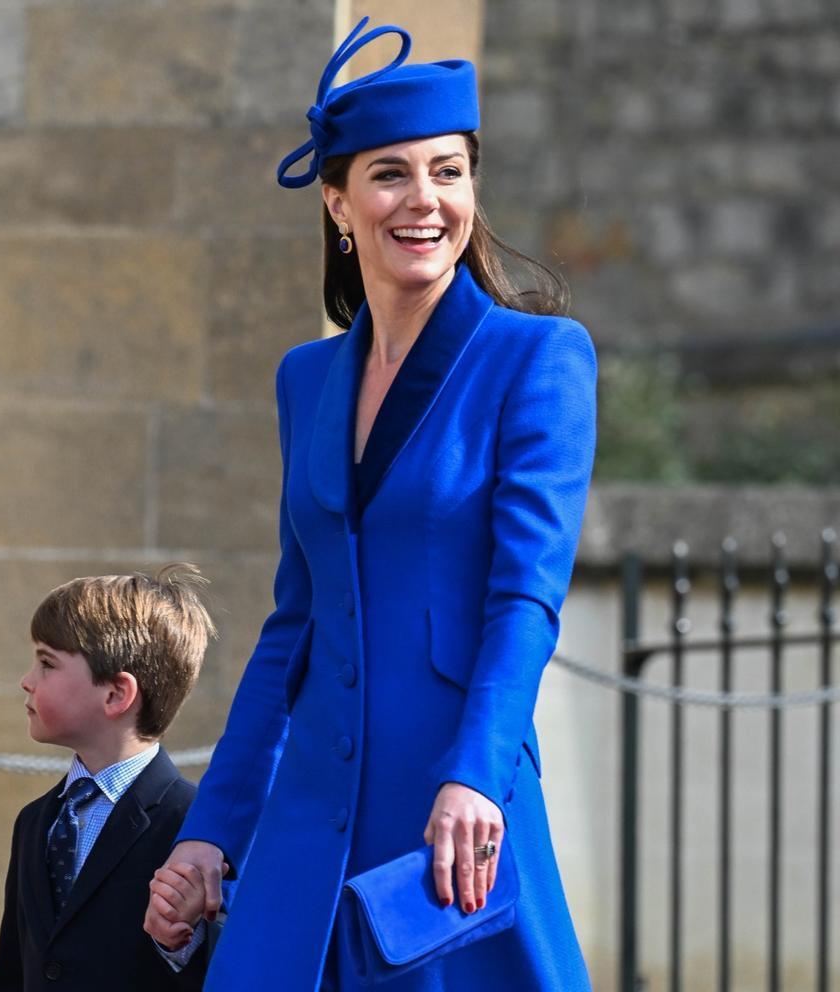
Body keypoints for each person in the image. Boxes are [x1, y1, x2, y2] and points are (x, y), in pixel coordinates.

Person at [145, 18, 596, 992]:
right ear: (339, 203)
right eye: (391, 174)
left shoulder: (539, 358)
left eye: (448, 170)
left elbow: (525, 598)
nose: (425, 199)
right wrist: (211, 831)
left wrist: (475, 771)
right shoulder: (304, 379)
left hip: (449, 812)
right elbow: (293, 624)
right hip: (306, 819)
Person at [0, 566, 216, 992]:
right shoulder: (35, 821)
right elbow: (13, 970)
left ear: (115, 695)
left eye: (46, 663)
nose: (27, 680)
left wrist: (182, 944)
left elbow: (235, 966)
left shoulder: (196, 826)